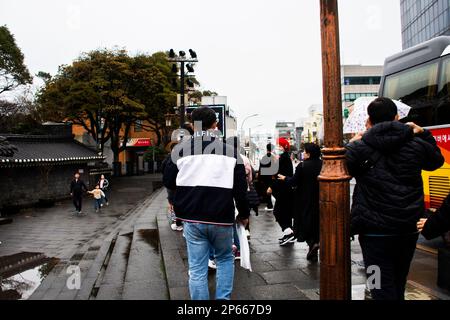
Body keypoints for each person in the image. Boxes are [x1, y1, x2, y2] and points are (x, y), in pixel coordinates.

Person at [346, 97, 444, 300]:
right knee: (399, 281)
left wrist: (351, 143)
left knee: (378, 285)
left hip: (373, 233)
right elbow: (436, 161)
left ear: (369, 121)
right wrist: (424, 132)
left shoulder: (358, 148)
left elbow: (334, 170)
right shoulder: (416, 143)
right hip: (407, 229)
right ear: (397, 117)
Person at [163, 106, 249, 301]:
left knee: (197, 268)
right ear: (215, 125)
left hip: (192, 217)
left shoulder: (179, 151)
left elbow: (168, 181)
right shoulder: (230, 152)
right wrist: (243, 215)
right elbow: (240, 189)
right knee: (225, 259)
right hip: (222, 218)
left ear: (192, 126)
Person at [278, 143, 322, 261]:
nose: (303, 153)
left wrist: (284, 178)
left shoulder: (302, 166)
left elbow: (294, 182)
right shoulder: (323, 164)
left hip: (304, 200)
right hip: (320, 199)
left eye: (305, 151)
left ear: (309, 153)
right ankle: (316, 243)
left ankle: (312, 244)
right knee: (317, 222)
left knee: (306, 222)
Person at [268, 137, 295, 246]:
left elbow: (279, 176)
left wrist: (272, 187)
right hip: (286, 190)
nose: (277, 147)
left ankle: (289, 232)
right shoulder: (284, 157)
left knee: (278, 212)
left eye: (279, 145)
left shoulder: (283, 158)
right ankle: (289, 234)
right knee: (286, 213)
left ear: (284, 147)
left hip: (283, 190)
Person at [162, 141, 184, 232]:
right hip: (179, 184)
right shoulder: (182, 157)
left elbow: (162, 169)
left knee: (172, 204)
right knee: (180, 202)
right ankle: (179, 221)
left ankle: (175, 221)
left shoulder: (167, 158)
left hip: (169, 185)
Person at [258, 144, 277, 212]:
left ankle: (270, 205)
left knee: (267, 191)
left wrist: (260, 179)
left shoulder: (264, 157)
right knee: (273, 190)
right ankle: (273, 205)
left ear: (267, 149)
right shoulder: (274, 158)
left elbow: (261, 169)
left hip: (265, 177)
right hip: (272, 177)